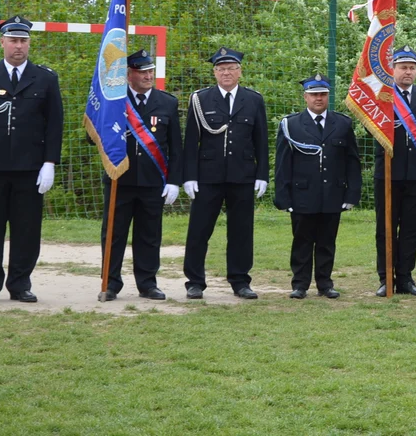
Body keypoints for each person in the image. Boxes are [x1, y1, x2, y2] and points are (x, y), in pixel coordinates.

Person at [0, 16, 63, 305]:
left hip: (30, 166)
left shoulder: (45, 77)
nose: (19, 46)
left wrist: (49, 163)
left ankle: (20, 284)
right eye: (14, 40)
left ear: (29, 43)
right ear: (3, 42)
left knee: (27, 229)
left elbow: (54, 124)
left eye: (23, 41)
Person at [182, 47, 269, 300]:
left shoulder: (253, 99)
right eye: (221, 69)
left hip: (242, 175)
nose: (226, 73)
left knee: (241, 231)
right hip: (207, 176)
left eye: (231, 68)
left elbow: (261, 140)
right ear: (214, 73)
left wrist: (262, 174)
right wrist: (189, 176)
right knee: (199, 230)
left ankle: (240, 281)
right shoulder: (200, 99)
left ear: (240, 71)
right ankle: (195, 282)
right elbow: (191, 141)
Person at [98, 50, 183, 301]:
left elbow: (175, 147)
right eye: (142, 72)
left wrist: (174, 181)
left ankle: (147, 284)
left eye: (150, 71)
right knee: (114, 234)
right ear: (129, 75)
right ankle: (110, 283)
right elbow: (93, 137)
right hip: (119, 179)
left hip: (152, 180)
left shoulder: (167, 102)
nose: (148, 76)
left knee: (149, 235)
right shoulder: (113, 101)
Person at [274, 74, 361, 299]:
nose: (318, 98)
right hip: (302, 194)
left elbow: (352, 161)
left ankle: (325, 284)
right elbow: (283, 163)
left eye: (322, 94)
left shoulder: (342, 123)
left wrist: (352, 194)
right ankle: (300, 285)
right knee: (302, 241)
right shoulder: (291, 124)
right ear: (305, 97)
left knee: (327, 242)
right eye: (314, 95)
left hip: (333, 193)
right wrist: (283, 195)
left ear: (328, 96)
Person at [372, 48, 416, 297]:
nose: (408, 72)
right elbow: (371, 130)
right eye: (403, 67)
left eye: (412, 68)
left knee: (412, 228)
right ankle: (386, 278)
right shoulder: (382, 96)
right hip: (388, 174)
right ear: (393, 70)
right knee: (386, 228)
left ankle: (405, 278)